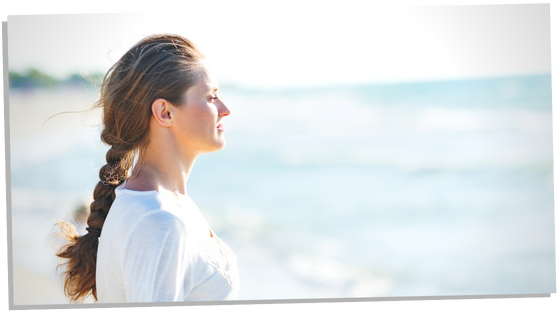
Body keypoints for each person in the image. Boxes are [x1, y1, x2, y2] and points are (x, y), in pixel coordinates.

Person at [53, 34, 239, 303]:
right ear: (165, 112)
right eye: (212, 97)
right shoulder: (160, 222)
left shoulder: (153, 202)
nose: (225, 109)